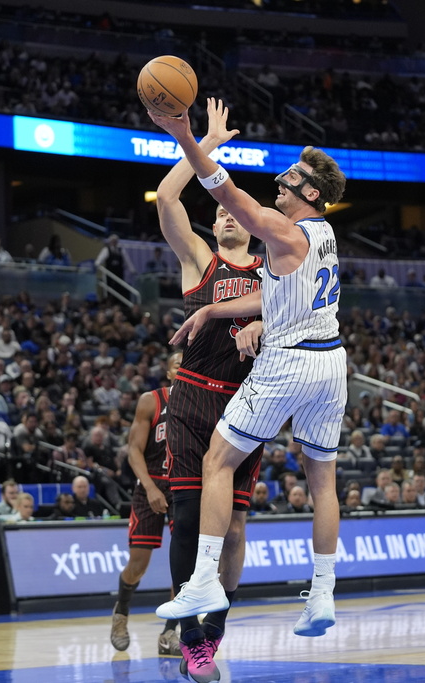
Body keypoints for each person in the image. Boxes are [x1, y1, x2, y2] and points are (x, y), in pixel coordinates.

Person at [151, 100, 348, 649]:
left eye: (289, 181)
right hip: (327, 361)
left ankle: (204, 591)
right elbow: (278, 292)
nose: (279, 185)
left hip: (280, 368)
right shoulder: (321, 236)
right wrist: (216, 309)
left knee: (221, 471)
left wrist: (192, 138)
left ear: (310, 194)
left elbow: (226, 190)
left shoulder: (285, 233)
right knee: (321, 482)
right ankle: (324, 591)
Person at [144, 98, 265, 678]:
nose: (225, 215)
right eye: (218, 210)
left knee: (236, 527)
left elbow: (301, 316)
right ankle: (189, 635)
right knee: (189, 520)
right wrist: (205, 144)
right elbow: (168, 199)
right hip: (194, 396)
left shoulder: (274, 276)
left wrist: (266, 323)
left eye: (235, 209)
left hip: (248, 403)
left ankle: (214, 627)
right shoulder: (200, 261)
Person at [111, 352, 182, 656]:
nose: (183, 368)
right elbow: (133, 451)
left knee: (184, 566)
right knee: (138, 565)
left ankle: (169, 633)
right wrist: (151, 487)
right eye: (178, 364)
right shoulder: (151, 401)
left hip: (183, 487)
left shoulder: (204, 402)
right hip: (150, 484)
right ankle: (121, 613)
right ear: (168, 372)